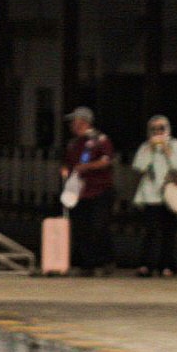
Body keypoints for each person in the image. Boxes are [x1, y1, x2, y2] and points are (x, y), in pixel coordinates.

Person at [59, 106, 116, 274]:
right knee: (82, 228)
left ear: (83, 122)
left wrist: (87, 167)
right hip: (79, 191)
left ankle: (106, 260)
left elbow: (106, 161)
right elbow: (69, 163)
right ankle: (87, 264)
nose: (71, 125)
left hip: (100, 190)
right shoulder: (73, 143)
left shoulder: (100, 140)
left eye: (74, 122)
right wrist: (65, 170)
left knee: (99, 226)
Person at [131, 115, 177, 276]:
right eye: (154, 129)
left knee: (168, 231)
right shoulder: (146, 147)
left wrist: (166, 149)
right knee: (150, 231)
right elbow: (139, 166)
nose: (158, 132)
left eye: (161, 128)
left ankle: (167, 265)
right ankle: (146, 264)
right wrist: (151, 147)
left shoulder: (176, 145)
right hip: (150, 195)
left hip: (170, 193)